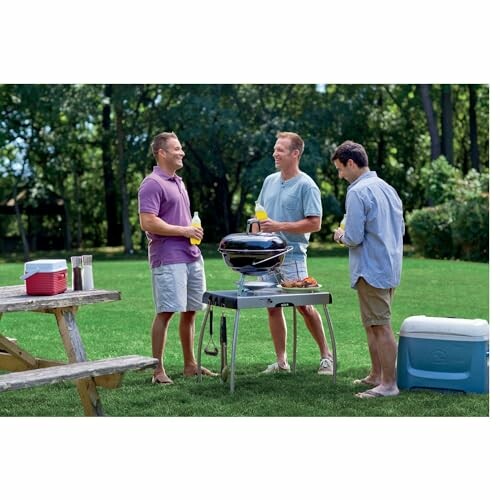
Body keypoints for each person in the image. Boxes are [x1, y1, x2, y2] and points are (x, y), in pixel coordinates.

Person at [138, 131, 216, 384]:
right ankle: (157, 370)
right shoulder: (152, 183)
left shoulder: (178, 182)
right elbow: (147, 222)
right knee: (166, 311)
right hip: (168, 257)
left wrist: (192, 230)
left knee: (191, 311)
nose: (182, 152)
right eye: (177, 148)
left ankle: (190, 365)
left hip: (191, 255)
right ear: (162, 153)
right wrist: (183, 230)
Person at [256, 131, 333, 375]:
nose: (274, 153)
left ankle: (326, 357)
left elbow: (315, 224)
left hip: (293, 256)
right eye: (275, 149)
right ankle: (281, 362)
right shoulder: (269, 181)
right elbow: (260, 216)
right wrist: (255, 236)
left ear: (295, 153)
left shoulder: (307, 185)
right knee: (272, 306)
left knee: (304, 306)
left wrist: (278, 226)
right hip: (267, 256)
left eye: (280, 149)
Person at [331, 140, 404, 398]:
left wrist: (339, 235)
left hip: (370, 268)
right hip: (388, 266)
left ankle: (389, 384)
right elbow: (400, 230)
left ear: (351, 163)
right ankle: (376, 375)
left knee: (381, 325)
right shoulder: (387, 188)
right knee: (372, 324)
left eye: (340, 169)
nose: (340, 176)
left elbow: (353, 236)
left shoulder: (357, 191)